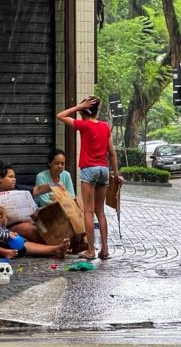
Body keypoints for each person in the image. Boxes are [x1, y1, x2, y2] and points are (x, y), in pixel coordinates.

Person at [57, 96, 120, 260]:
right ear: (96, 111)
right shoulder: (105, 127)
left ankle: (91, 250)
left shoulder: (83, 126)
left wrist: (78, 106)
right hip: (104, 170)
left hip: (89, 170)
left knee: (88, 210)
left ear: (83, 112)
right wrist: (117, 174)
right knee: (100, 211)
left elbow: (61, 115)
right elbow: (112, 153)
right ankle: (105, 250)